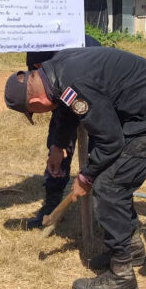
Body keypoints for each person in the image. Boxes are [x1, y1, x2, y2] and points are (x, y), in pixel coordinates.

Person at [4, 46, 146, 289]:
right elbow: (65, 109)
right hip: (145, 105)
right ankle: (131, 249)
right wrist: (58, 146)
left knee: (109, 186)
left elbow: (110, 140)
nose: (38, 114)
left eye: (33, 113)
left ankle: (122, 276)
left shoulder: (73, 84)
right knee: (114, 181)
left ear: (36, 103)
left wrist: (86, 176)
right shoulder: (55, 71)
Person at [23, 35, 100, 230]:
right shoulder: (37, 50)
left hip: (97, 98)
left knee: (99, 152)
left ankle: (104, 212)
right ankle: (51, 207)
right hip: (63, 96)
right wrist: (58, 144)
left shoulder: (84, 51)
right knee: (57, 148)